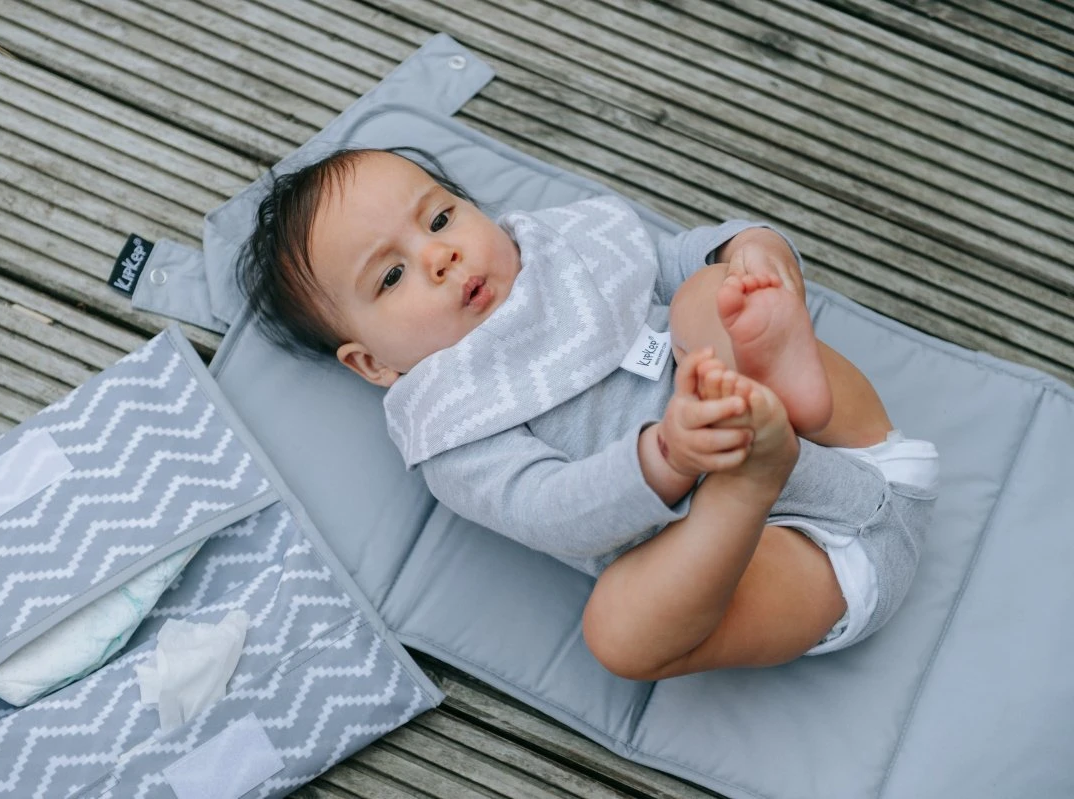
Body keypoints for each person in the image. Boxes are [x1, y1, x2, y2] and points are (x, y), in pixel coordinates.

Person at [238, 147, 939, 681]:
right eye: (391, 276)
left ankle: (778, 380)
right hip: (796, 567)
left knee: (707, 296)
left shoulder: (562, 247)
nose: (440, 255)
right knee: (617, 630)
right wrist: (666, 457)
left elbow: (678, 255)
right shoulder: (453, 425)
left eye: (441, 218)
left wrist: (751, 250)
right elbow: (546, 509)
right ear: (372, 364)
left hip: (855, 443)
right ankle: (747, 476)